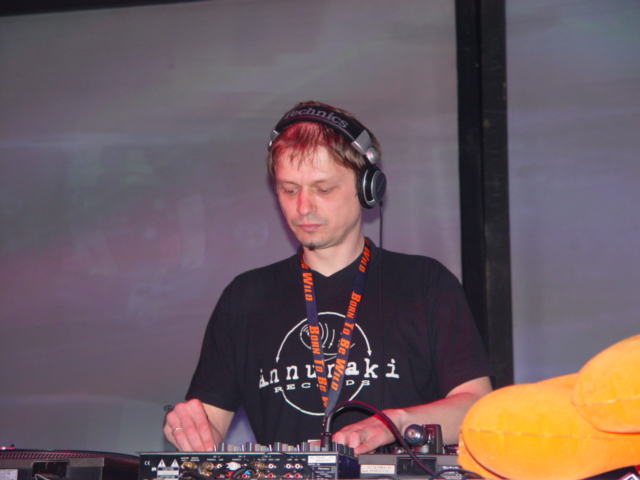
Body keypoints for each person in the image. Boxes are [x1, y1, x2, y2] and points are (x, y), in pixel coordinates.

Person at [163, 101, 493, 455]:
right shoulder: (244, 297)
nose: (303, 207)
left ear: (367, 188)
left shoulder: (425, 284)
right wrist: (189, 428)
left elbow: (476, 407)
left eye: (323, 189)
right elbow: (208, 425)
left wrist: (394, 422)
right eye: (290, 190)